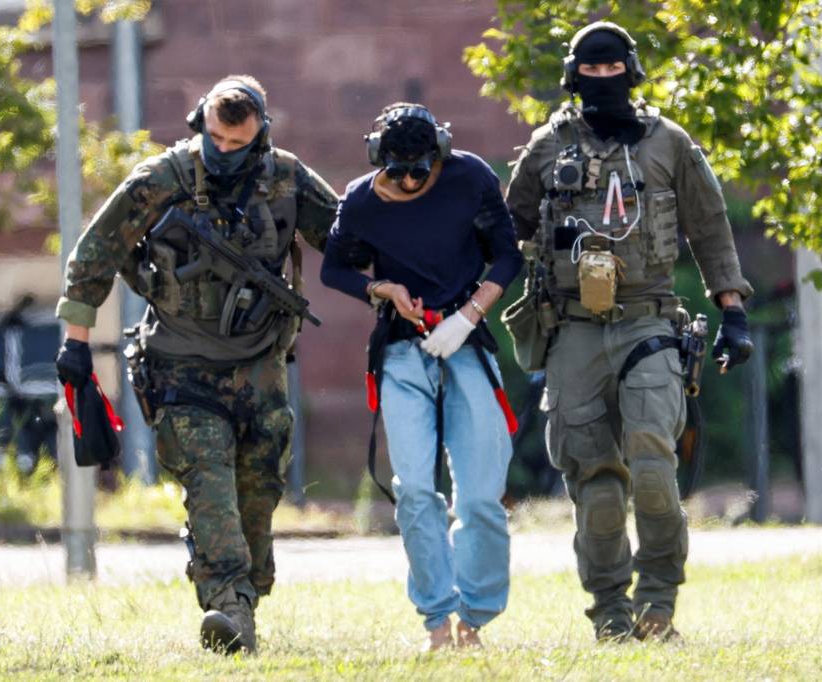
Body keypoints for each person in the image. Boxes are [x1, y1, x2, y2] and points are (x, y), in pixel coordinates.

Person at [54, 75, 338, 653]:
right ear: (199, 126)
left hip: (261, 368)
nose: (224, 152)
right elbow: (95, 253)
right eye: (214, 140)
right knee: (210, 487)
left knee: (257, 497)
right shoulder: (162, 180)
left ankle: (246, 595)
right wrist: (76, 345)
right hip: (181, 366)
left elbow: (349, 238)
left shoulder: (285, 177)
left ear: (260, 137)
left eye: (238, 144)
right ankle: (228, 607)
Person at [504, 22, 754, 641]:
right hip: (574, 328)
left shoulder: (669, 143)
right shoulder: (546, 147)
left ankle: (659, 601)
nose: (603, 81)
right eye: (592, 72)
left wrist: (734, 312)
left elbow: (710, 227)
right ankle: (611, 614)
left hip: (650, 319)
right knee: (594, 483)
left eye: (614, 70)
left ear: (632, 71)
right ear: (573, 77)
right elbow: (504, 228)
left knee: (651, 463)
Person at [320, 103, 523, 650]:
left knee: (481, 493)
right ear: (378, 160)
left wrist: (468, 316)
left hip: (464, 339)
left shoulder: (471, 178)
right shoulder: (362, 198)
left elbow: (508, 256)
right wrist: (380, 290)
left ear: (441, 152)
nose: (410, 180)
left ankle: (474, 618)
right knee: (414, 490)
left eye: (421, 168)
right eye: (397, 170)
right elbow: (333, 268)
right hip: (402, 350)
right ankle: (436, 618)